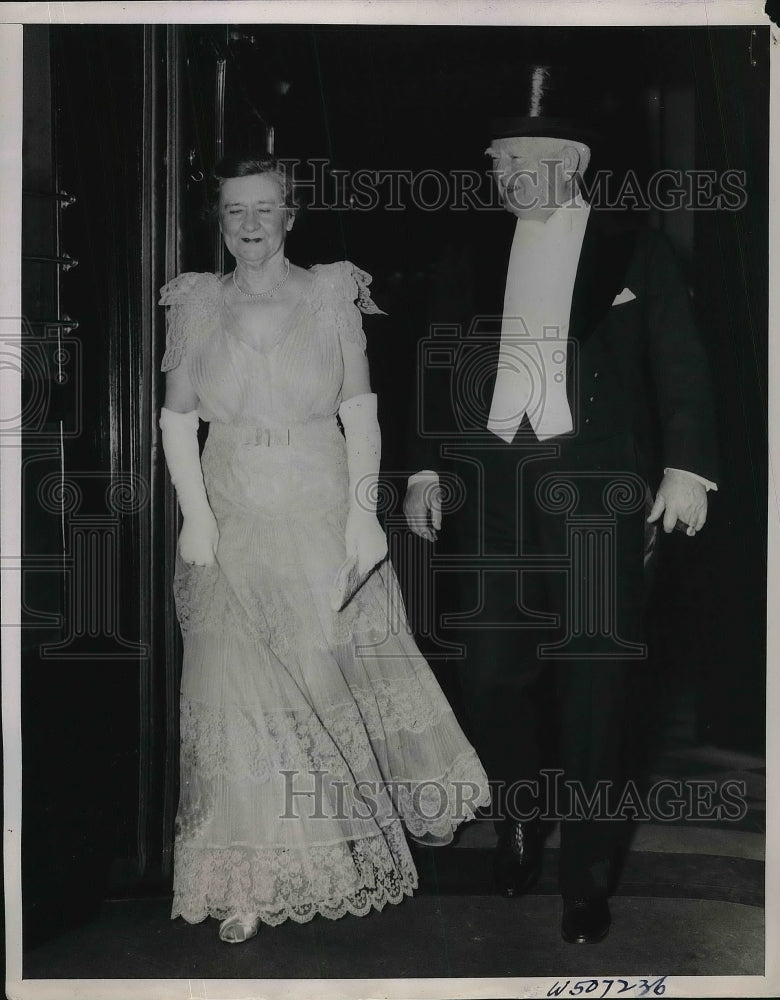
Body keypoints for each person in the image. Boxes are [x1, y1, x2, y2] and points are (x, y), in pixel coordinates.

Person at [403, 65, 718, 944]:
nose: (503, 174)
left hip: (595, 492)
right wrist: (425, 471)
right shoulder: (470, 253)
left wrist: (687, 469)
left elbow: (681, 363)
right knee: (488, 674)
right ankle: (520, 809)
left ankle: (585, 877)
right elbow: (434, 361)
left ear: (571, 162)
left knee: (594, 687)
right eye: (497, 160)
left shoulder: (637, 250)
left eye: (520, 160)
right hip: (495, 485)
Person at [158, 153, 490, 944]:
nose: (249, 225)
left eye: (263, 209)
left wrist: (363, 515)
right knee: (237, 690)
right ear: (220, 220)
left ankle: (371, 818)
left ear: (290, 215)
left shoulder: (331, 292)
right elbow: (176, 420)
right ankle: (248, 880)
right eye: (234, 210)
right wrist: (196, 517)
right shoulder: (196, 301)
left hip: (316, 500)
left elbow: (361, 411)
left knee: (322, 675)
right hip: (230, 509)